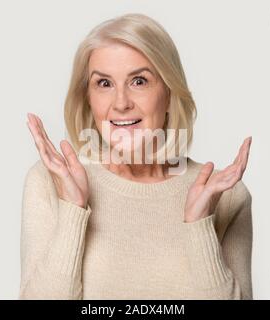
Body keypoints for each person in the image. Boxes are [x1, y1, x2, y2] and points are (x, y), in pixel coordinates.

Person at [19, 13, 253, 300]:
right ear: (88, 99)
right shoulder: (48, 182)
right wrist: (73, 209)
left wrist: (199, 225)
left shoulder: (226, 196)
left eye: (139, 81)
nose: (120, 103)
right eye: (104, 84)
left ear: (168, 93)